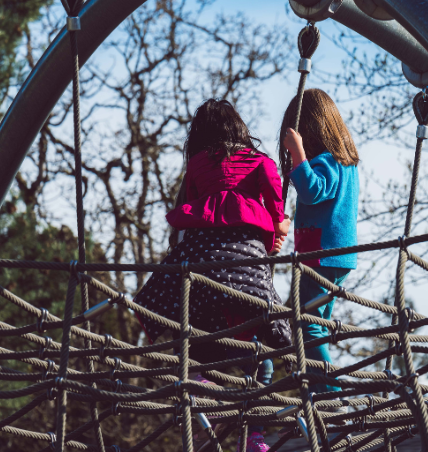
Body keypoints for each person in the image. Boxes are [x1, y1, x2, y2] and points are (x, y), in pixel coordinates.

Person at [133, 98, 292, 452]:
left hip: (202, 260)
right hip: (246, 264)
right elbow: (274, 197)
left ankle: (200, 378)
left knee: (192, 316)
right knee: (262, 342)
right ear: (239, 128)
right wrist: (278, 225)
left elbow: (190, 202)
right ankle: (254, 434)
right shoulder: (260, 162)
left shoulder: (197, 165)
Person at [279, 88, 359, 399]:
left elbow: (313, 191)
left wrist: (298, 153)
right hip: (335, 257)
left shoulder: (327, 161)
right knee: (316, 325)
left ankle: (329, 391)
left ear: (311, 129)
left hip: (321, 257)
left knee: (305, 325)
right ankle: (318, 385)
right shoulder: (346, 163)